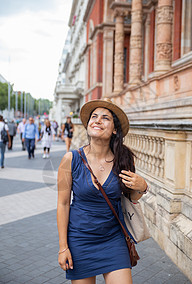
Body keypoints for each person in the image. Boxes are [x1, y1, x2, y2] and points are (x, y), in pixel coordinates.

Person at [57, 99, 148, 284]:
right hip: (80, 240)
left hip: (113, 240)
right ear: (88, 124)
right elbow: (63, 203)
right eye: (94, 117)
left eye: (105, 118)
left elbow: (131, 198)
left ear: (114, 129)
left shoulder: (124, 159)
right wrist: (63, 247)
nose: (97, 120)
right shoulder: (70, 159)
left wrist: (142, 187)